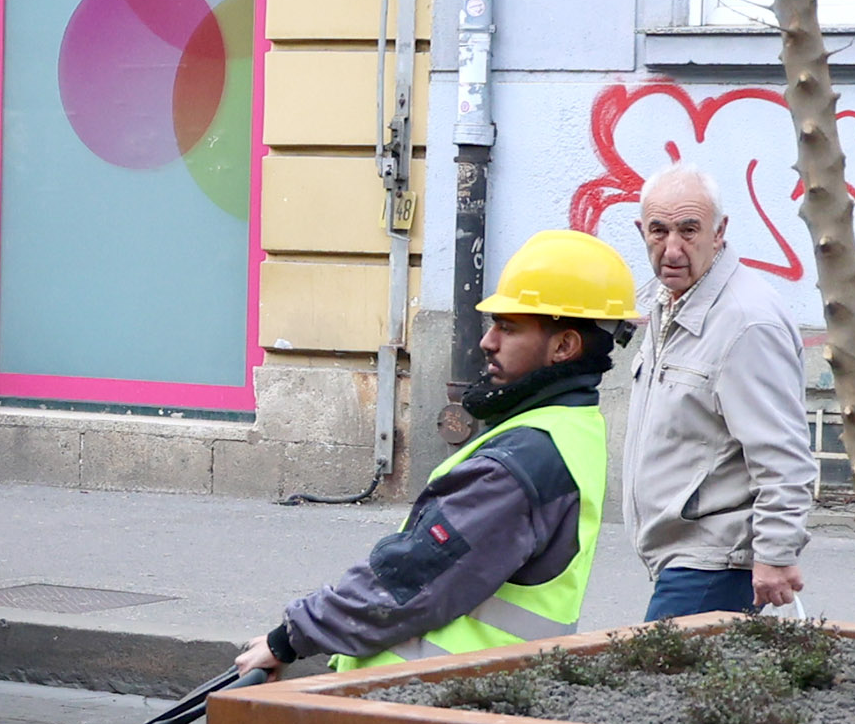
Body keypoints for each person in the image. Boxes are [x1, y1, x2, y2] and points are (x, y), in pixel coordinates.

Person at [236, 229, 636, 676]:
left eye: (508, 327)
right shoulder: (569, 428)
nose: (488, 341)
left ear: (564, 347)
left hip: (423, 699)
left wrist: (289, 638)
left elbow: (414, 578)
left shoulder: (526, 458)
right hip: (469, 693)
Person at [625, 169, 815, 621]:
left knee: (664, 687)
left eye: (689, 230)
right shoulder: (671, 299)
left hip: (713, 562)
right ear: (641, 231)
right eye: (659, 231)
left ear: (719, 232)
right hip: (682, 557)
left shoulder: (745, 321)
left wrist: (774, 553)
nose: (672, 248)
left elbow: (784, 454)